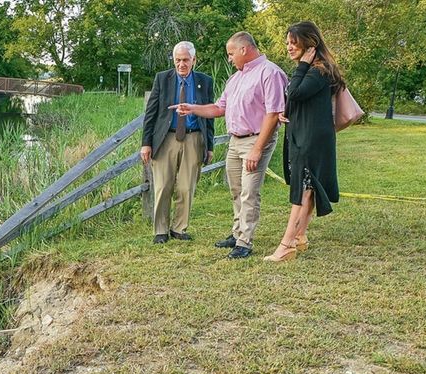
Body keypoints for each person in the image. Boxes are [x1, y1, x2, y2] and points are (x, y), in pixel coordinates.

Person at [172, 32, 288, 258]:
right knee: (236, 190)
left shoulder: (270, 73)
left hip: (256, 140)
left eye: (231, 53)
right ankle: (237, 233)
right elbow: (219, 108)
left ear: (244, 50)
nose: (229, 58)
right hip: (235, 141)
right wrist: (191, 108)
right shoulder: (235, 78)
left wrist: (257, 149)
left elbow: (273, 114)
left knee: (249, 192)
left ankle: (244, 242)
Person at [263, 21, 344, 262]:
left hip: (312, 139)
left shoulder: (318, 69)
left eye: (293, 42)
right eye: (287, 42)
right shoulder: (311, 70)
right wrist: (286, 112)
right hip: (305, 134)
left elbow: (295, 92)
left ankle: (286, 245)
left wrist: (304, 65)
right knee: (307, 187)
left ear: (310, 44)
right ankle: (299, 237)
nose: (288, 47)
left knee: (304, 190)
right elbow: (300, 99)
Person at [141, 41, 215, 244]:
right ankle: (161, 230)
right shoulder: (162, 79)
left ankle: (179, 228)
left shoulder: (205, 81)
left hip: (194, 138)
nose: (182, 64)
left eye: (186, 60)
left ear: (194, 60)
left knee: (186, 187)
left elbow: (209, 116)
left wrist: (209, 146)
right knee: (163, 185)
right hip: (166, 138)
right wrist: (146, 143)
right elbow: (151, 114)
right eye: (178, 60)